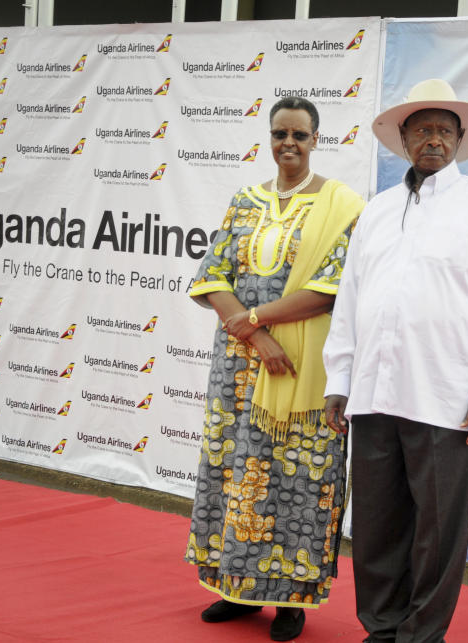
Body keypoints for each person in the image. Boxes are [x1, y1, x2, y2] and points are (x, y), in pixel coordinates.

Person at [322, 79, 468, 643]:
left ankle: (420, 637)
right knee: (378, 527)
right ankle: (381, 628)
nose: (432, 139)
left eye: (443, 130)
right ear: (405, 139)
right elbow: (350, 302)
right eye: (422, 129)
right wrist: (338, 380)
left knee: (438, 533)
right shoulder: (378, 212)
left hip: (448, 399)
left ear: (460, 139)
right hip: (373, 394)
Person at [185, 96, 364, 641]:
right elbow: (212, 274)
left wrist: (255, 320)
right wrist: (255, 335)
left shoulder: (343, 206)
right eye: (280, 133)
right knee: (235, 473)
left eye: (300, 135)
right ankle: (234, 589)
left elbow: (329, 291)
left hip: (302, 369)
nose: (289, 143)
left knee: (296, 477)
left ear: (316, 140)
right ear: (270, 137)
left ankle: (290, 601)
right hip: (238, 369)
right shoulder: (246, 200)